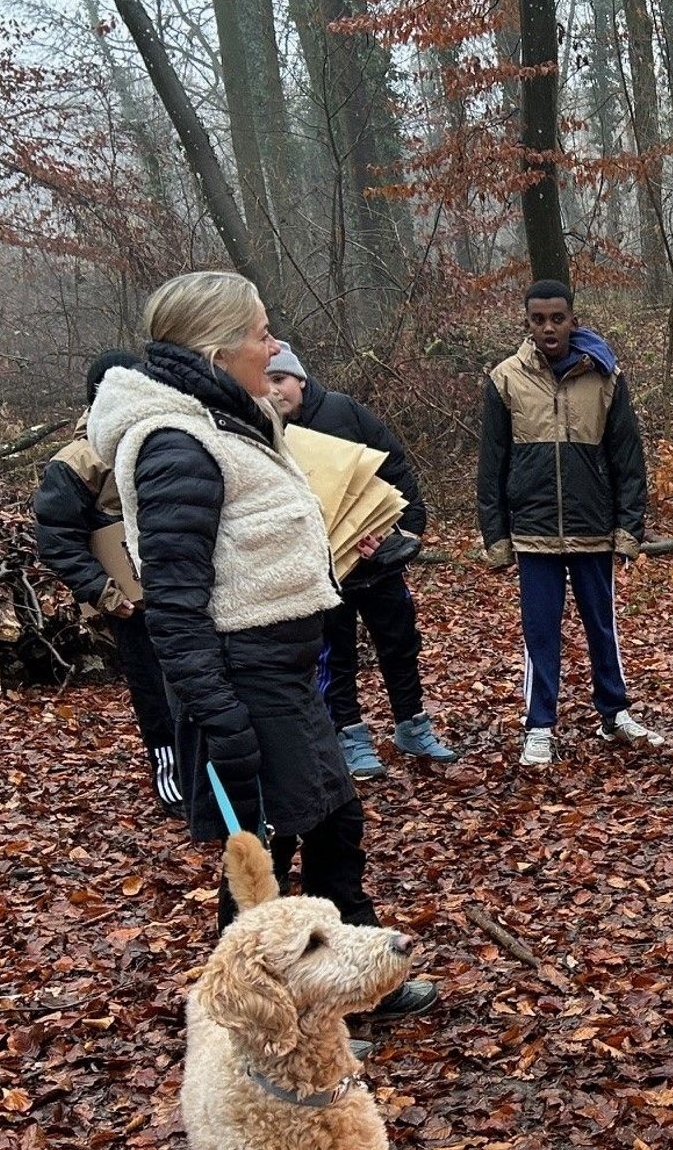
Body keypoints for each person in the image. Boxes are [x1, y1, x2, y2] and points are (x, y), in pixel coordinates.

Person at [86, 269, 434, 1018]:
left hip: (286, 668)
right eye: (259, 332)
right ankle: (248, 1014)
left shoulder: (228, 421)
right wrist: (220, 718)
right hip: (242, 677)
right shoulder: (174, 444)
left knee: (336, 821)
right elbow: (173, 610)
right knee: (263, 857)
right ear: (216, 351)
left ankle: (363, 979)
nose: (273, 345)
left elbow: (253, 553)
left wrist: (354, 550)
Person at [478, 279, 663, 766]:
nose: (548, 328)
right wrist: (495, 537)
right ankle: (539, 725)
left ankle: (614, 712)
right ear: (527, 322)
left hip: (592, 526)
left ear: (572, 319)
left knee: (602, 625)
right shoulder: (505, 380)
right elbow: (491, 464)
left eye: (557, 318)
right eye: (538, 319)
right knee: (540, 631)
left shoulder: (605, 376)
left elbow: (627, 456)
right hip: (533, 531)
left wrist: (628, 527)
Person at [264, 342, 457, 778]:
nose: (275, 391)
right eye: (266, 381)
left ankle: (412, 725)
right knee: (336, 654)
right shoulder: (261, 431)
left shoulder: (341, 411)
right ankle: (350, 735)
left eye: (281, 380)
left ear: (300, 380)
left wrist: (408, 528)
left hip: (377, 560)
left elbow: (394, 464)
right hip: (321, 572)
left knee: (399, 643)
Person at [34, 349, 182, 819]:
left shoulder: (165, 439)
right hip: (132, 606)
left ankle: (211, 768)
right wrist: (103, 592)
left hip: (184, 589)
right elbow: (56, 537)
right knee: (152, 688)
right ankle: (171, 772)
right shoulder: (78, 460)